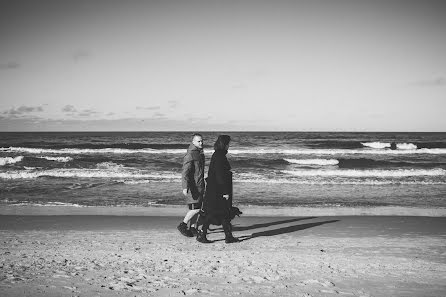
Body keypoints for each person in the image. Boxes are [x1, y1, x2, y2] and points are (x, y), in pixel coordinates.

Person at [197, 135, 239, 244]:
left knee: (223, 213)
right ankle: (203, 235)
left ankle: (228, 236)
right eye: (228, 143)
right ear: (224, 144)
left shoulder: (217, 155)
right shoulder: (220, 156)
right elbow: (220, 175)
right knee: (215, 213)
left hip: (215, 189)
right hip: (218, 190)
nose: (229, 146)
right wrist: (225, 192)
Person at [177, 133, 205, 237]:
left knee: (196, 208)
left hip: (200, 186)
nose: (201, 143)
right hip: (193, 187)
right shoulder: (190, 154)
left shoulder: (199, 153)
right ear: (193, 142)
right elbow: (185, 172)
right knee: (195, 209)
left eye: (202, 141)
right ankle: (183, 225)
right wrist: (185, 187)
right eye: (199, 141)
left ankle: (193, 228)